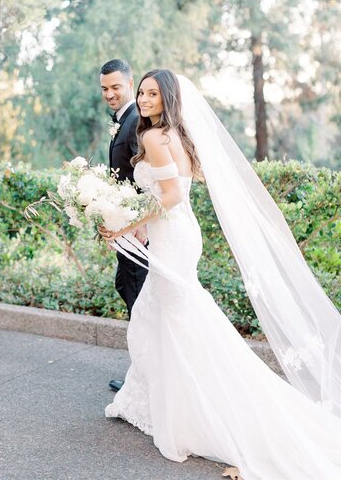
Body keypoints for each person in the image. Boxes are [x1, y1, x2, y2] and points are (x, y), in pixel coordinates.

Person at [99, 69, 341, 479]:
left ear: (168, 98)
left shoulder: (156, 137)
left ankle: (198, 408)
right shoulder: (176, 134)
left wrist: (122, 225)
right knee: (161, 316)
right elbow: (172, 192)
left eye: (152, 94)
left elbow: (171, 197)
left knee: (178, 322)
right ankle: (160, 399)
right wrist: (140, 225)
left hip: (174, 236)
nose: (143, 99)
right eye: (141, 92)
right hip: (177, 234)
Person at [100, 59, 148, 391]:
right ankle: (144, 371)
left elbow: (146, 179)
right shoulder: (124, 120)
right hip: (124, 230)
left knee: (139, 299)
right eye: (104, 88)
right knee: (128, 290)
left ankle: (143, 378)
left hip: (137, 232)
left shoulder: (135, 123)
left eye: (116, 87)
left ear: (129, 84)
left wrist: (138, 225)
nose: (110, 94)